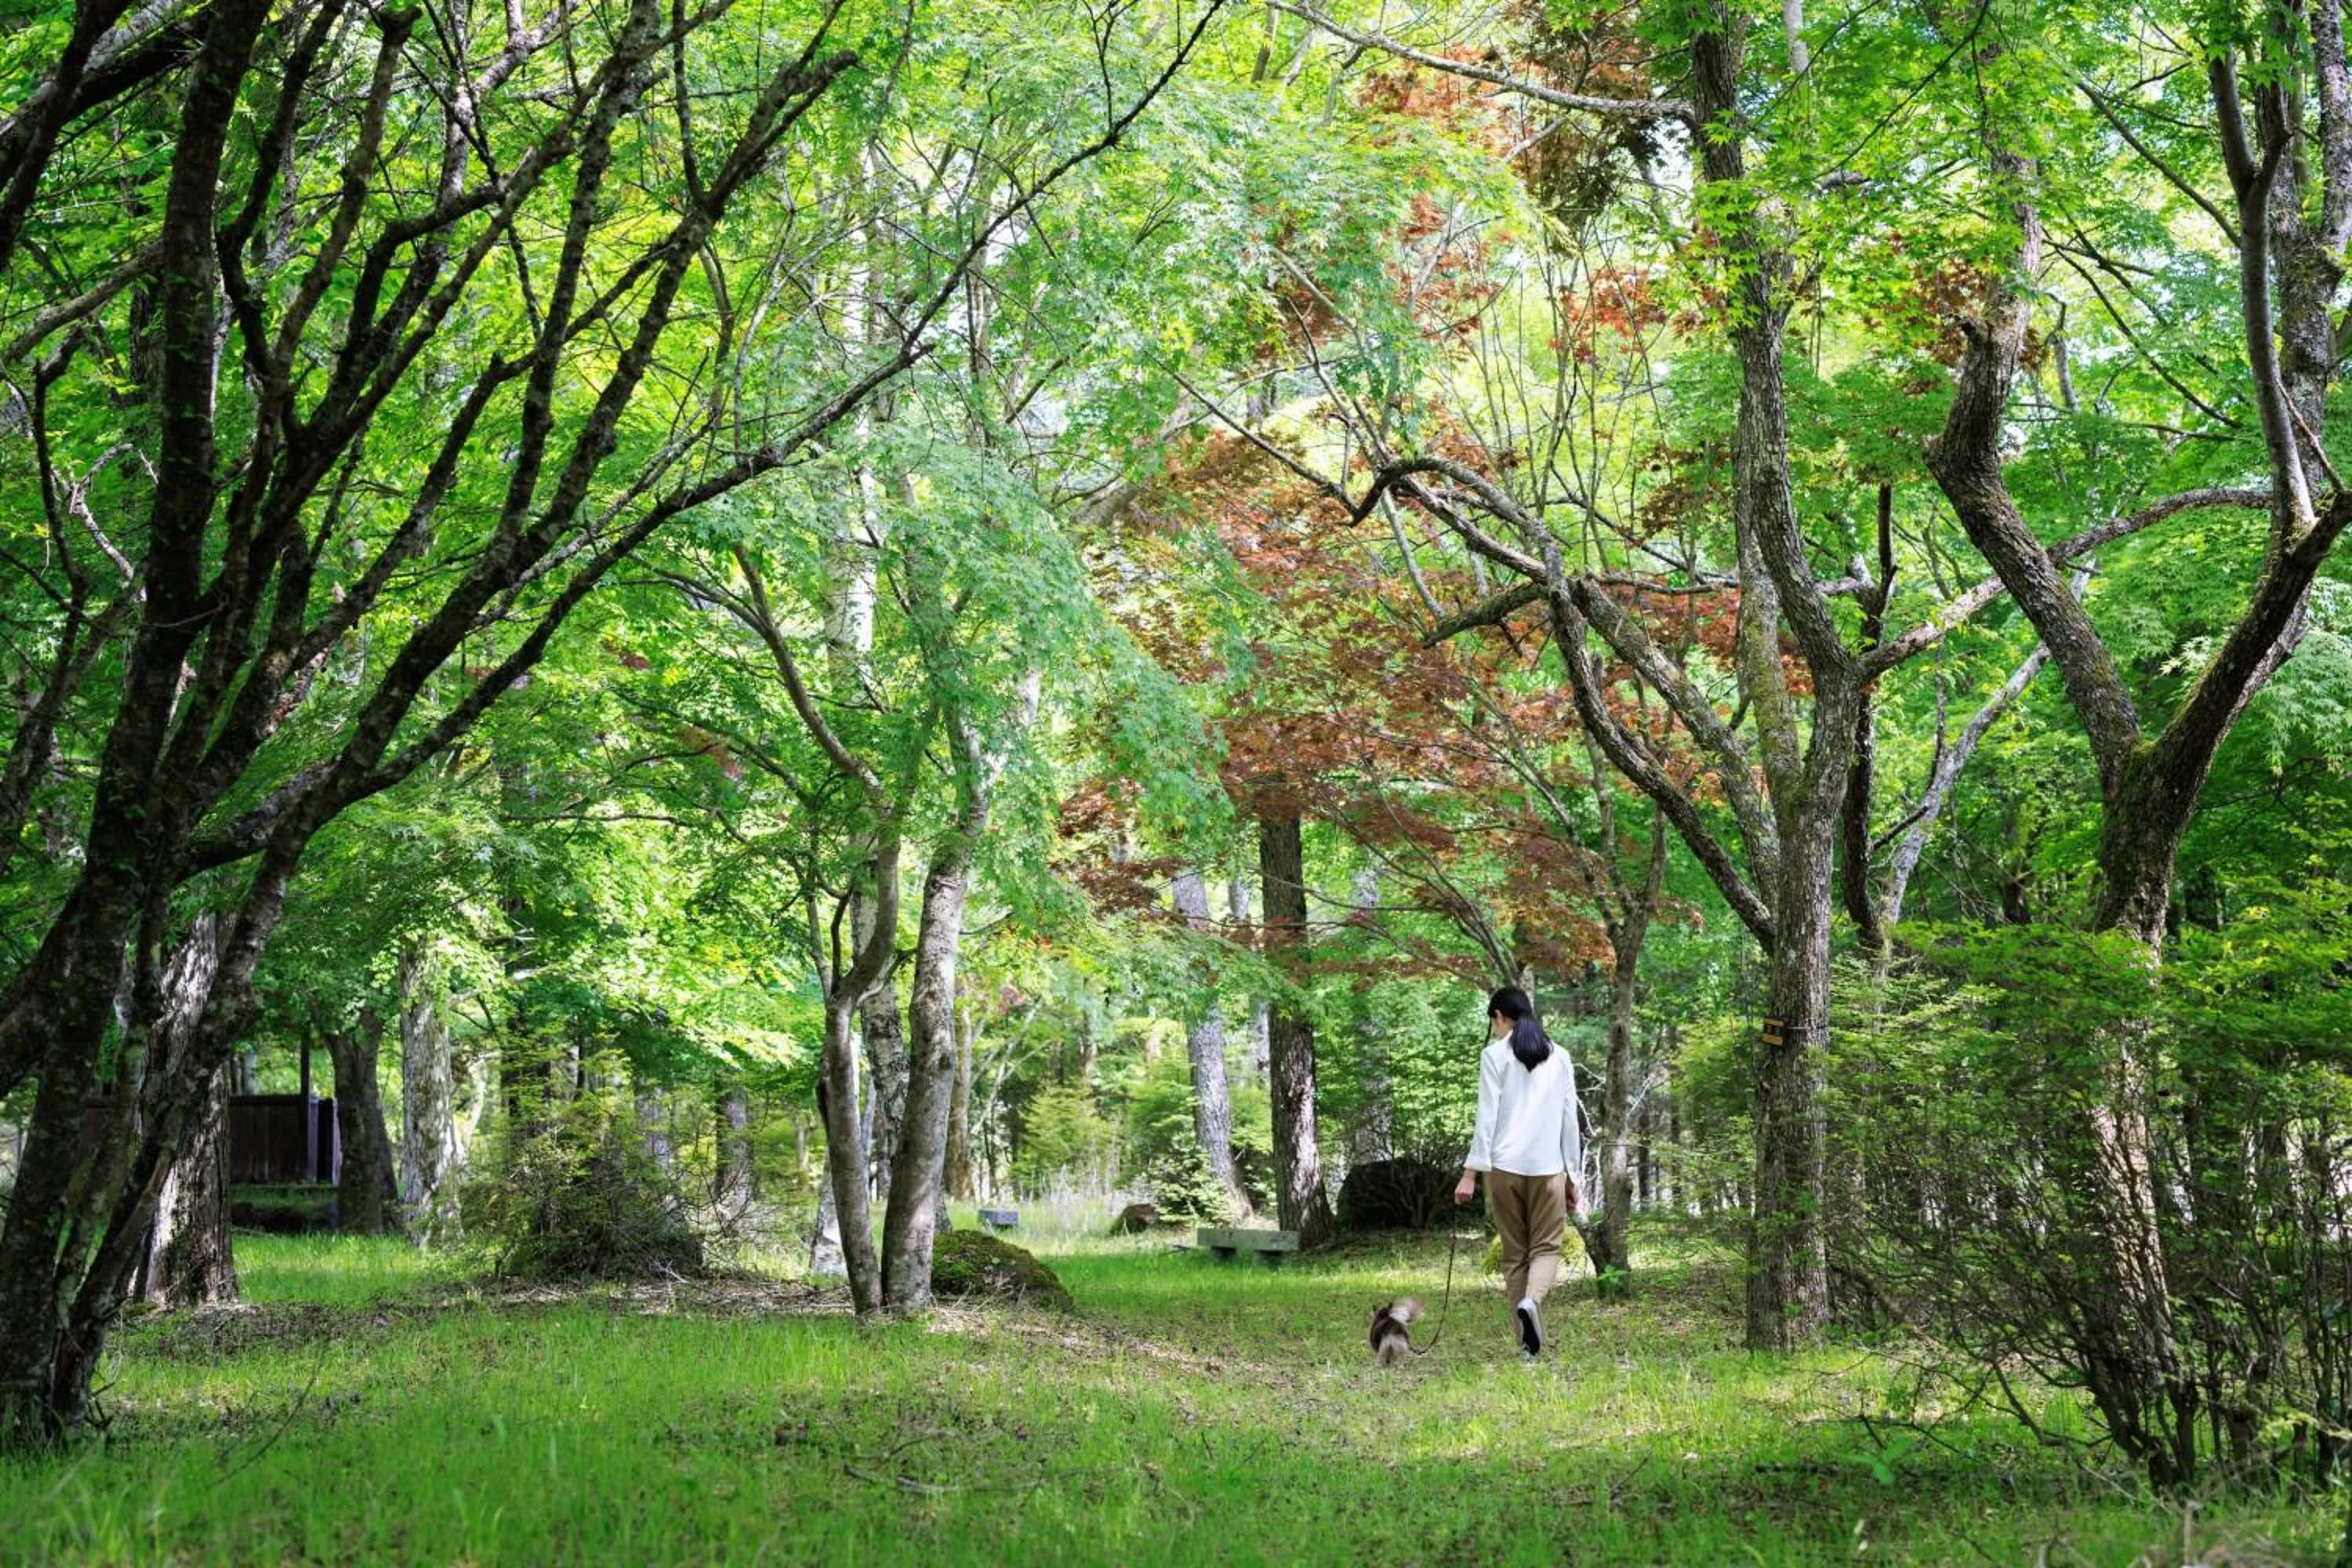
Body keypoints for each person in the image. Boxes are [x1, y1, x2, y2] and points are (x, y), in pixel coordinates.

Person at [1454, 985, 1583, 1359]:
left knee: (1515, 1256)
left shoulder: (1494, 1056)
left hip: (1504, 1169)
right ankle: (1532, 1302)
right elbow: (1568, 1121)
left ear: (1500, 1017)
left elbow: (1487, 1119)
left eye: (1492, 1021)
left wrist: (1470, 1174)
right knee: (1546, 1248)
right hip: (1548, 1170)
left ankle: (1527, 1348)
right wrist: (1573, 1177)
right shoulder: (1560, 1057)